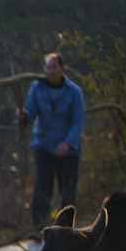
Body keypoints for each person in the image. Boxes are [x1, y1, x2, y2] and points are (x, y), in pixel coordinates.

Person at [17, 53, 86, 228]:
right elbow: (30, 112)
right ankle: (38, 227)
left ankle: (65, 228)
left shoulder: (74, 92)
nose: (51, 71)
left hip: (67, 150)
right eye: (48, 68)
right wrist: (23, 115)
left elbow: (78, 122)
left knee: (67, 191)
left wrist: (67, 143)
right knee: (42, 186)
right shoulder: (37, 87)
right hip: (43, 145)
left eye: (54, 67)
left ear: (62, 69)